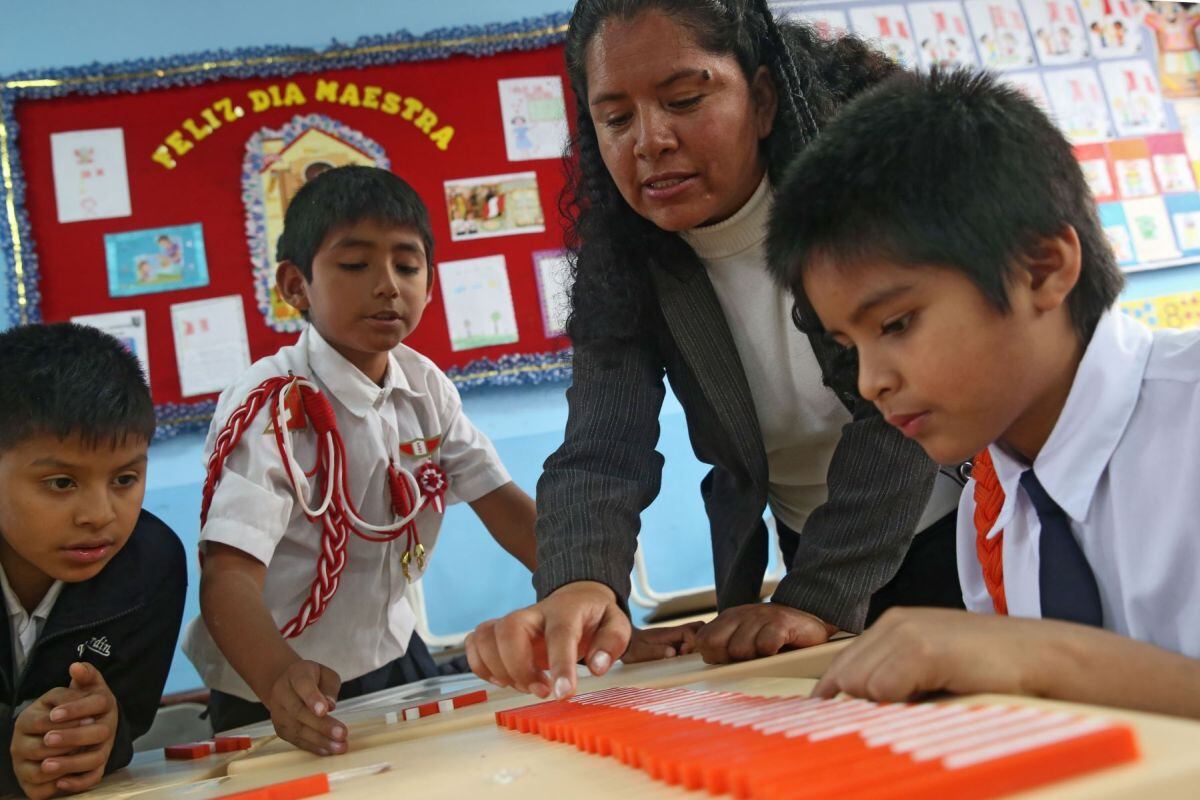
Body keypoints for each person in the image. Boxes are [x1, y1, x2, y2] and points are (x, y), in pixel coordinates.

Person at [467, 0, 966, 701]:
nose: (650, 141)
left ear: (761, 100)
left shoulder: (865, 209)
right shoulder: (633, 260)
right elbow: (602, 448)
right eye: (616, 118)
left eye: (684, 100)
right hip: (811, 545)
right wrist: (581, 583)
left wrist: (816, 597)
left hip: (957, 530)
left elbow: (898, 412)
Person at [767, 67, 1200, 718]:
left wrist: (1042, 660)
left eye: (897, 324)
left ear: (1042, 269)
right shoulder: (992, 504)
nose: (869, 381)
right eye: (849, 347)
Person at [183, 166, 538, 754]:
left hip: (390, 650)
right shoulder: (272, 404)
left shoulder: (426, 387)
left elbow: (506, 508)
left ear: (430, 282)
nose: (387, 286)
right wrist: (278, 680)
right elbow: (228, 575)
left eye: (408, 266)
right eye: (354, 265)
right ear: (295, 285)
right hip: (274, 675)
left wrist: (591, 596)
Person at [0, 323, 186, 798]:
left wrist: (103, 732)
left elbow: (130, 720)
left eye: (125, 479)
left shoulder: (152, 565)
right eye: (61, 483)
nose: (100, 515)